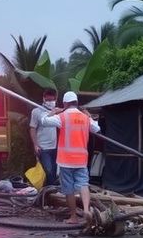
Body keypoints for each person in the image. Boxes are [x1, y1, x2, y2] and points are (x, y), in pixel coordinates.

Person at [42, 91, 101, 224]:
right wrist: (90, 117)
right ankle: (86, 209)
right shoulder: (85, 118)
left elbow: (44, 122)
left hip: (65, 160)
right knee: (83, 184)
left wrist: (53, 112)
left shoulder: (62, 117)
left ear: (65, 103)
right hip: (81, 159)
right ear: (76, 103)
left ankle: (73, 217)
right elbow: (97, 128)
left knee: (68, 189)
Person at [30, 89, 60, 186]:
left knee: (54, 172)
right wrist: (35, 145)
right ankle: (49, 191)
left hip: (55, 147)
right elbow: (32, 128)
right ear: (43, 99)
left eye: (52, 100)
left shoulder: (57, 112)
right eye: (48, 100)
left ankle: (51, 192)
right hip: (43, 147)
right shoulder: (37, 111)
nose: (50, 102)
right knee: (48, 170)